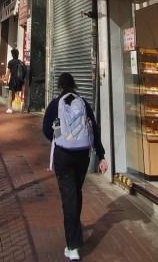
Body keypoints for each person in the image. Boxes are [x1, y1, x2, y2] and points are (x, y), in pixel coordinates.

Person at [43, 72, 107, 261]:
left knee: (69, 198)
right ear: (74, 85)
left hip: (63, 155)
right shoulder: (83, 102)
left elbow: (46, 129)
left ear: (59, 86)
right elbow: (94, 129)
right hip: (82, 155)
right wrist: (101, 155)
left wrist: (59, 137)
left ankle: (73, 247)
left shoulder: (55, 103)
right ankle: (75, 231)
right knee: (76, 193)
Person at [2, 48, 26, 113]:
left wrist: (4, 79)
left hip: (13, 80)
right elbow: (24, 72)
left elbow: (8, 73)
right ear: (18, 54)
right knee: (17, 94)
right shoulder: (21, 62)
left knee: (10, 94)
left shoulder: (10, 62)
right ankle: (19, 105)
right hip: (20, 80)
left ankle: (10, 109)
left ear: (12, 55)